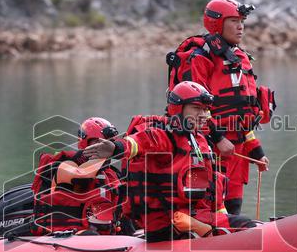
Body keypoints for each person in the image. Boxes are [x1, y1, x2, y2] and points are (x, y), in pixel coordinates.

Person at [82, 81, 229, 243]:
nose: (203, 114)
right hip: (168, 221)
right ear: (178, 108)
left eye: (205, 109)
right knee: (240, 225)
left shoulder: (199, 141)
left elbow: (212, 186)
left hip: (193, 215)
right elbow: (140, 142)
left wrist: (220, 215)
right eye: (196, 108)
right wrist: (117, 148)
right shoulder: (164, 134)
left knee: (240, 224)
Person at [170, 0, 273, 216]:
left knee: (233, 206)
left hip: (236, 150)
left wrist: (256, 151)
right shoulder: (199, 58)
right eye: (234, 20)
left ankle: (234, 241)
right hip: (208, 147)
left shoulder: (240, 58)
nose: (240, 26)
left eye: (242, 21)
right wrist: (217, 138)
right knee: (212, 204)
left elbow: (244, 115)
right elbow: (193, 108)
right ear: (217, 23)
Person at [30, 117, 126, 235]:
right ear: (85, 143)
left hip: (104, 237)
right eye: (97, 143)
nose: (103, 148)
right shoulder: (66, 166)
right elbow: (82, 178)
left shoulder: (111, 174)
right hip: (66, 234)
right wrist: (94, 158)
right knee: (91, 235)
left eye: (107, 144)